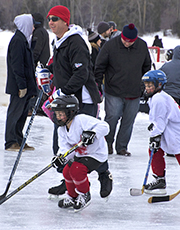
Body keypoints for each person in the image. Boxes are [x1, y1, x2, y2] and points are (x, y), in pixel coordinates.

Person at [45, 5, 112, 200]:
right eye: (49, 18)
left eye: (55, 19)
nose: (51, 22)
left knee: (90, 141)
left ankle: (104, 174)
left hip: (82, 100)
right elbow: (60, 66)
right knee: (63, 139)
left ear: (66, 22)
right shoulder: (58, 41)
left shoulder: (75, 42)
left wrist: (63, 91)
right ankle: (68, 180)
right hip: (66, 100)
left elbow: (81, 73)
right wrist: (47, 73)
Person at [95, 23, 152, 156]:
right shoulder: (110, 45)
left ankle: (121, 147)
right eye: (125, 40)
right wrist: (98, 83)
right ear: (122, 36)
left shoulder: (142, 46)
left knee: (128, 120)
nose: (127, 43)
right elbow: (99, 66)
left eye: (130, 41)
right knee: (112, 117)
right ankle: (107, 143)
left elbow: (146, 66)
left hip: (134, 91)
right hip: (114, 90)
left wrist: (144, 85)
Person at [49, 95, 109, 212]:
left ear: (71, 112)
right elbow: (65, 148)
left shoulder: (81, 120)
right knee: (67, 171)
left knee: (76, 169)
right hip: (81, 155)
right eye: (57, 114)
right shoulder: (61, 130)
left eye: (61, 114)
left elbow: (104, 126)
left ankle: (84, 194)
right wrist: (61, 158)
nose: (59, 118)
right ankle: (72, 196)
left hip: (96, 154)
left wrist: (93, 133)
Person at [4, 14, 37, 151]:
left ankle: (18, 139)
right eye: (32, 24)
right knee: (15, 113)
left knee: (22, 114)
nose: (33, 28)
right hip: (19, 86)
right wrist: (22, 86)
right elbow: (17, 66)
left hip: (25, 85)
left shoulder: (24, 40)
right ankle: (11, 141)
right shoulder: (18, 41)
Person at [27, 12, 51, 117]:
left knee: (36, 87)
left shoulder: (38, 33)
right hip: (43, 63)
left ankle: (33, 107)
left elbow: (36, 49)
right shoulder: (43, 32)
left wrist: (31, 61)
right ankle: (39, 106)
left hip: (39, 65)